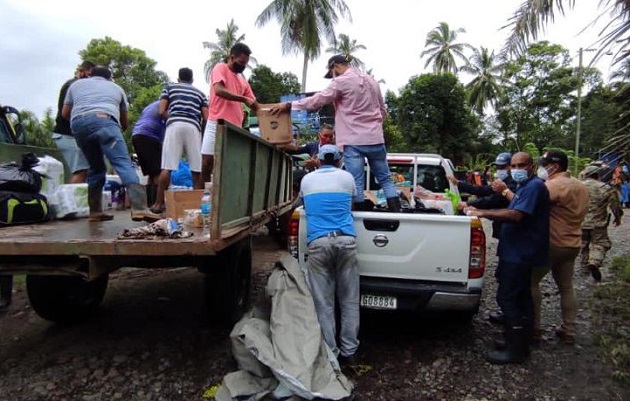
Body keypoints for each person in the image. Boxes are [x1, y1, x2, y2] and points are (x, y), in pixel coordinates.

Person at [271, 54, 401, 213]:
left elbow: (317, 100)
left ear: (335, 67)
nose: (333, 77)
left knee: (357, 182)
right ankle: (396, 212)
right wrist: (373, 126)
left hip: (354, 141)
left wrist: (290, 105)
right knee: (386, 179)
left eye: (332, 73)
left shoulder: (340, 82)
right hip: (376, 139)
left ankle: (359, 217)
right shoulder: (372, 80)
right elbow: (382, 110)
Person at [465, 152, 550, 364]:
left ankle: (515, 351)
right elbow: (512, 204)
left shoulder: (534, 186)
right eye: (513, 165)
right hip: (515, 250)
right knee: (521, 298)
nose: (516, 169)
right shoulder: (524, 186)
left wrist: (482, 213)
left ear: (531, 166)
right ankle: (520, 342)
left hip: (521, 253)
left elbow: (516, 215)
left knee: (509, 298)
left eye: (521, 165)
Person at [62, 64, 161, 222]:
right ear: (109, 77)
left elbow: (65, 113)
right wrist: (112, 132)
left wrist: (84, 122)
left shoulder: (76, 85)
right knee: (123, 163)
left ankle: (94, 211)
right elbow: (124, 121)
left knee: (95, 168)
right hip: (105, 121)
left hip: (79, 125)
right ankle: (140, 208)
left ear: (90, 74)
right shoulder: (117, 88)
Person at [300, 144, 360, 366]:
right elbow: (354, 202)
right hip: (346, 241)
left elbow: (304, 204)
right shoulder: (347, 177)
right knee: (349, 300)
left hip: (318, 243)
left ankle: (330, 355)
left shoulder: (307, 180)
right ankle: (350, 352)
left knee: (323, 303)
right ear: (337, 160)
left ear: (318, 159)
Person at [529, 150, 589, 345]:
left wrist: (505, 190)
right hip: (572, 244)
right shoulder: (581, 186)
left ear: (554, 166)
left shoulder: (553, 185)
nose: (542, 168)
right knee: (566, 286)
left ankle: (534, 329)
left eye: (544, 164)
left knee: (531, 282)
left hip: (552, 243)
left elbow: (528, 204)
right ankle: (568, 330)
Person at [450, 152, 517, 325]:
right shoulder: (504, 183)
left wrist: (471, 205)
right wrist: (460, 184)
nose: (500, 170)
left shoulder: (513, 185)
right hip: (507, 234)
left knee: (509, 276)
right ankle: (511, 317)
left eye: (504, 167)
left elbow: (492, 199)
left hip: (513, 233)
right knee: (504, 273)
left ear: (512, 166)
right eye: (498, 167)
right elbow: (484, 190)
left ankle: (513, 320)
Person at [151, 68, 208, 213]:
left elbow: (161, 110)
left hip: (174, 125)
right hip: (193, 127)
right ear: (192, 79)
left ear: (178, 78)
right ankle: (198, 206)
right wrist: (199, 129)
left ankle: (158, 204)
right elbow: (206, 117)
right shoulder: (200, 93)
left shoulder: (169, 88)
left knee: (167, 166)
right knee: (196, 168)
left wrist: (172, 120)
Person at [201, 43, 258, 183]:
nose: (243, 66)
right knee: (207, 161)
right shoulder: (220, 68)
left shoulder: (242, 81)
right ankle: (203, 193)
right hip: (216, 122)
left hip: (235, 128)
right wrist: (242, 98)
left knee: (229, 164)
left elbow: (254, 103)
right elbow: (219, 90)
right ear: (232, 57)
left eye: (245, 64)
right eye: (241, 62)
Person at [52, 61, 94, 183]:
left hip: (72, 136)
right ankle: (70, 202)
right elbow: (67, 114)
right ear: (81, 71)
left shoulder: (77, 86)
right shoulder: (74, 85)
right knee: (81, 171)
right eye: (89, 75)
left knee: (86, 171)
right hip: (66, 135)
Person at [580, 165, 623, 282]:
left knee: (583, 244)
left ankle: (584, 266)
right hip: (598, 223)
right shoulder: (606, 188)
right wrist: (618, 217)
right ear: (598, 175)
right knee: (600, 243)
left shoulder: (579, 187)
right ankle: (594, 261)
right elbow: (615, 206)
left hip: (581, 222)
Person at [131, 100, 166, 206]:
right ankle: (157, 204)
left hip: (137, 135)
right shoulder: (165, 105)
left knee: (151, 173)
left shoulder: (151, 105)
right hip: (149, 136)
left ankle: (149, 205)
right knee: (158, 173)